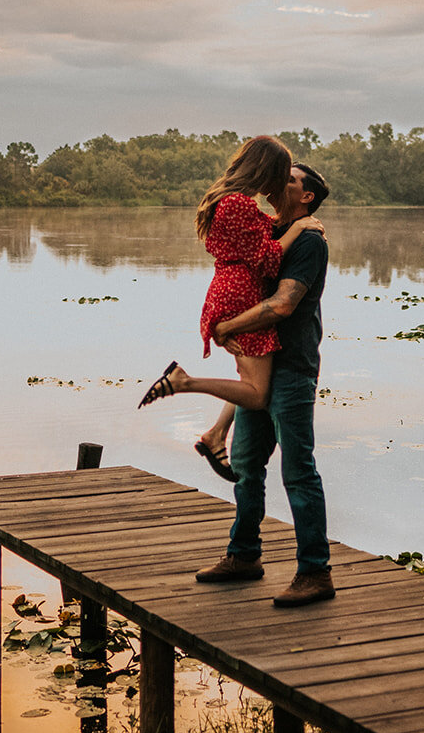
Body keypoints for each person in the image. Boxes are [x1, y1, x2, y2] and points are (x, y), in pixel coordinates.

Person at [194, 161, 335, 607]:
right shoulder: (272, 230)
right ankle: (243, 556)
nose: (279, 183)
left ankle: (315, 572)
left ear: (306, 196)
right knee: (246, 464)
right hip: (261, 363)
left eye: (289, 180)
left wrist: (227, 325)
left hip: (291, 367)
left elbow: (283, 304)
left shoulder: (309, 241)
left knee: (298, 472)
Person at [138, 136, 323, 426]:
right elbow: (267, 256)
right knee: (256, 394)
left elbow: (259, 230)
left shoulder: (227, 199)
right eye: (281, 174)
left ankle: (214, 435)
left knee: (249, 381)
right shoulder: (238, 203)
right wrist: (299, 226)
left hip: (227, 287)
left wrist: (286, 223)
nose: (280, 183)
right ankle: (184, 382)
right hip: (241, 291)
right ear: (267, 170)